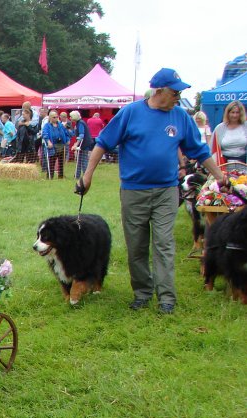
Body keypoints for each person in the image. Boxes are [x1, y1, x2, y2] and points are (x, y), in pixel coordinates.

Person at [80, 68, 227, 314]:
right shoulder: (130, 113)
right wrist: (87, 176)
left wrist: (221, 177)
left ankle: (166, 298)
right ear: (159, 91)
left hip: (166, 191)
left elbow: (199, 150)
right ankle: (142, 293)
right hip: (133, 191)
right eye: (174, 92)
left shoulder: (180, 116)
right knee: (136, 246)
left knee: (164, 244)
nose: (178, 97)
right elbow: (102, 143)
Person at [41, 110, 70, 178]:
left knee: (61, 162)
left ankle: (61, 176)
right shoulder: (47, 126)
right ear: (50, 118)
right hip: (52, 146)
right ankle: (50, 176)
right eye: (54, 117)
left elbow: (66, 132)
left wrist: (67, 140)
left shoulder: (60, 125)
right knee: (51, 162)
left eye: (57, 117)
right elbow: (45, 134)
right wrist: (48, 142)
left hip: (61, 145)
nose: (56, 118)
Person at [69, 111, 93, 180]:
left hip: (85, 144)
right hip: (82, 144)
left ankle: (86, 176)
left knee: (84, 160)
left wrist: (76, 144)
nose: (70, 118)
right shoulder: (77, 123)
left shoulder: (81, 123)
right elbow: (75, 133)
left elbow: (81, 134)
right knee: (79, 160)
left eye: (71, 117)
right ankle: (77, 175)